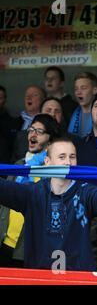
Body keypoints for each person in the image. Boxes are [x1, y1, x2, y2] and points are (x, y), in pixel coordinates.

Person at [0, 137, 97, 271]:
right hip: (39, 278)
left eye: (72, 157)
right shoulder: (32, 193)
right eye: (62, 157)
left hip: (77, 279)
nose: (68, 162)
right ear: (47, 162)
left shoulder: (85, 192)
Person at [0, 114, 61, 268]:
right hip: (4, 245)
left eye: (39, 131)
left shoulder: (53, 172)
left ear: (50, 140)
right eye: (31, 130)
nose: (33, 134)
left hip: (29, 250)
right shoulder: (19, 165)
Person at [10, 85, 47, 163]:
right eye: (27, 95)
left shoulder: (48, 124)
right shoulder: (12, 122)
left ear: (44, 100)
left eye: (34, 95)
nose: (29, 98)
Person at [67, 72, 97, 138]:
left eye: (83, 88)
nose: (78, 92)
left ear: (95, 90)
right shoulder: (70, 113)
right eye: (76, 89)